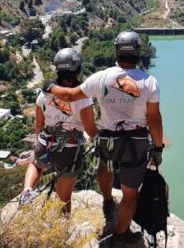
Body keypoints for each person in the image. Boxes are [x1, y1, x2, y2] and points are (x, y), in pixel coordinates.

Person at [44, 31, 164, 247]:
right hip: (135, 142)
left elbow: (70, 95)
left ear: (116, 51)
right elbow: (154, 120)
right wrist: (158, 147)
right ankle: (120, 236)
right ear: (138, 52)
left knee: (105, 166)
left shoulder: (101, 77)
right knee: (130, 195)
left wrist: (50, 87)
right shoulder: (150, 82)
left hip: (107, 138)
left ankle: (108, 200)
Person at [20, 48, 99, 214]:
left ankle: (27, 191)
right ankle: (62, 225)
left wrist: (38, 144)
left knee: (36, 164)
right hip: (70, 151)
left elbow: (39, 124)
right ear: (77, 69)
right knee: (64, 197)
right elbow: (91, 130)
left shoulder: (44, 94)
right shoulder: (83, 98)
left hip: (46, 142)